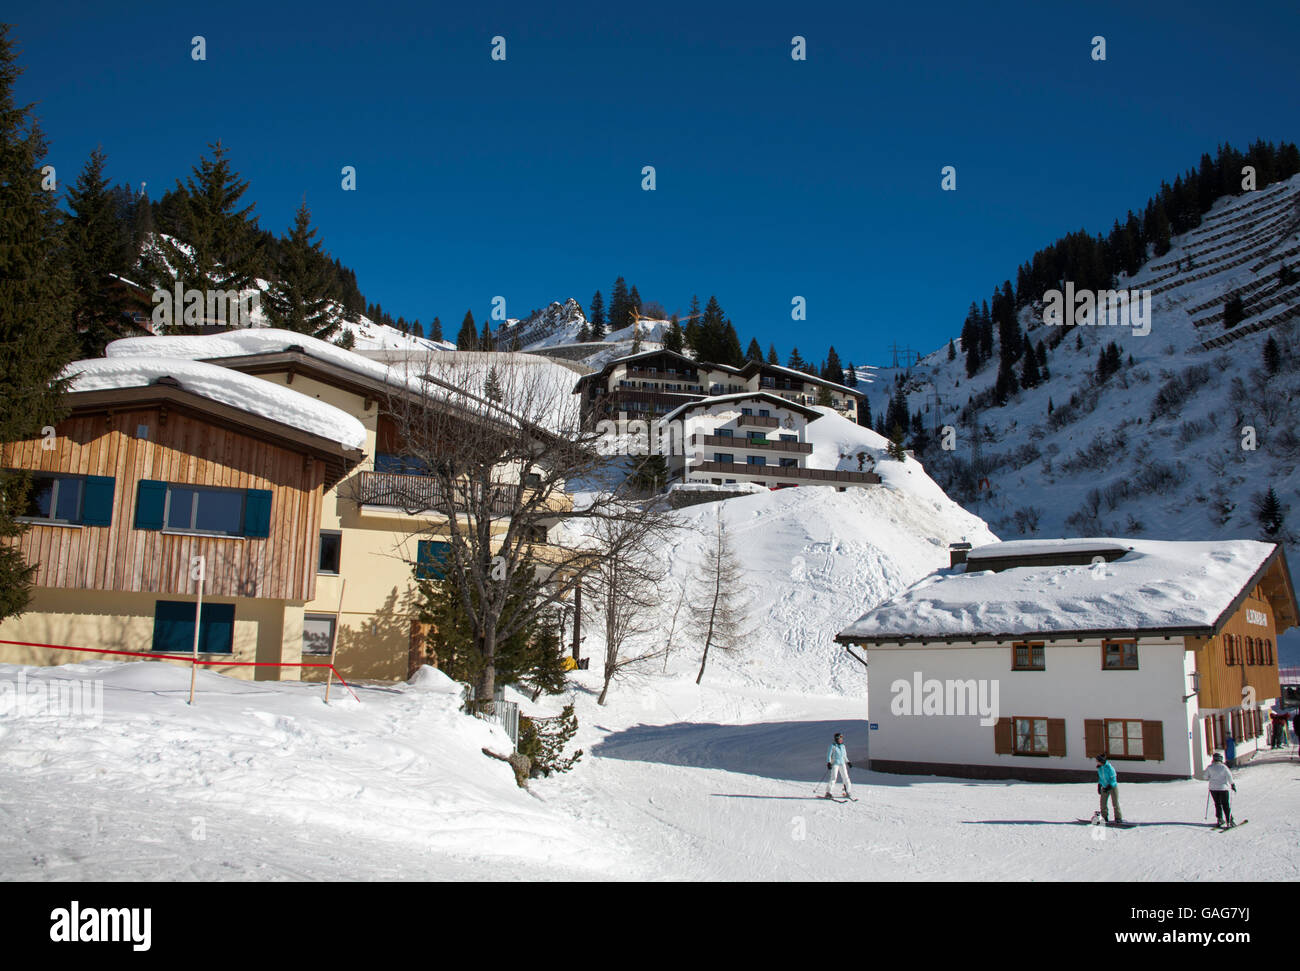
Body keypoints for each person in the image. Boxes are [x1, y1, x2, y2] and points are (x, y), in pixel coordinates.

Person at [1206, 751, 1236, 827]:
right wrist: (1232, 784)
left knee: (1217, 804)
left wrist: (1210, 777)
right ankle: (1229, 821)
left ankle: (1219, 819)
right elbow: (1229, 777)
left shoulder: (1210, 767)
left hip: (1213, 789)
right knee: (1225, 804)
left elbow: (1205, 777)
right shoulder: (1224, 767)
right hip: (1223, 788)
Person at [1096, 752, 1122, 824]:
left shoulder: (1109, 768)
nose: (1096, 762)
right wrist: (1099, 785)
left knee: (1115, 802)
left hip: (1112, 787)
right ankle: (1104, 817)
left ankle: (1118, 817)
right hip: (1104, 787)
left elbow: (1113, 779)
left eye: (1098, 761)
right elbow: (1101, 778)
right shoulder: (1100, 768)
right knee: (1103, 803)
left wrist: (1109, 787)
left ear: (1101, 761)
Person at [825, 732, 852, 799]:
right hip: (835, 764)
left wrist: (848, 762)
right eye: (839, 738)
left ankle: (848, 791)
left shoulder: (843, 746)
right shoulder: (832, 746)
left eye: (841, 738)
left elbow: (844, 755)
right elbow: (829, 755)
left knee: (846, 777)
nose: (840, 740)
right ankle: (828, 792)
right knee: (833, 778)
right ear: (836, 739)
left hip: (842, 763)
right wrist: (828, 762)